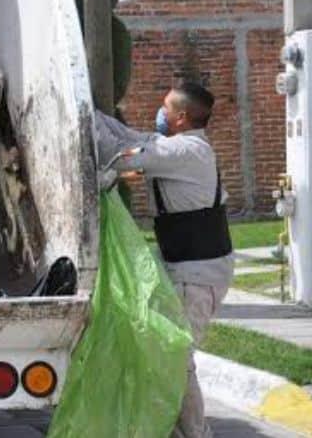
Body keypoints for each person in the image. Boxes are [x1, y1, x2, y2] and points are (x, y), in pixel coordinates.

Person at [94, 82, 234, 438]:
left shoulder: (186, 152)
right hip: (187, 266)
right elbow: (131, 134)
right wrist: (92, 112)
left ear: (182, 118)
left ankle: (195, 434)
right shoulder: (179, 145)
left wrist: (82, 119)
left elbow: (120, 151)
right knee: (164, 351)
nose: (160, 112)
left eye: (166, 108)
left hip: (197, 272)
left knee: (177, 357)